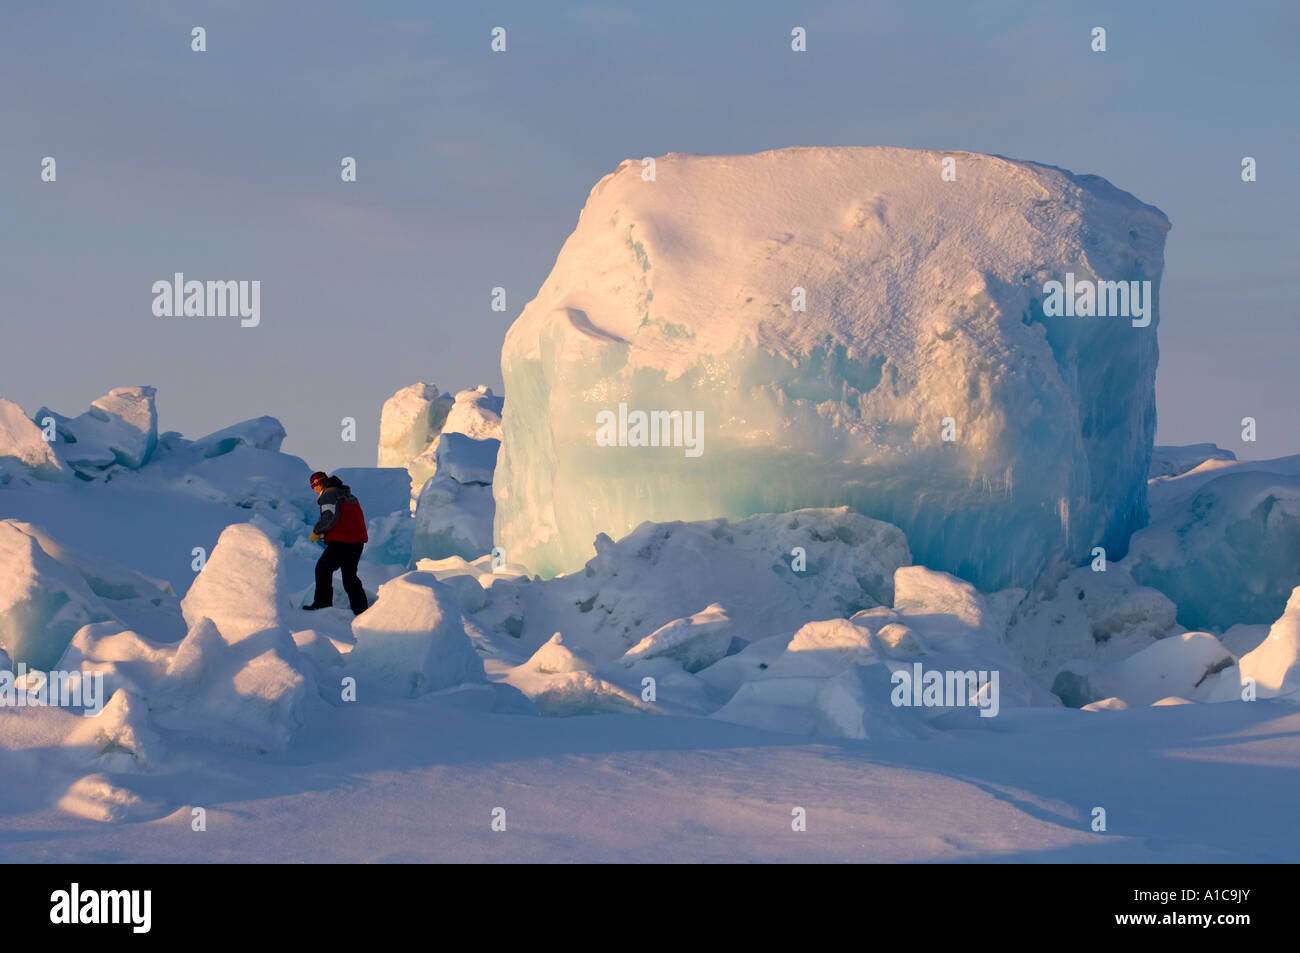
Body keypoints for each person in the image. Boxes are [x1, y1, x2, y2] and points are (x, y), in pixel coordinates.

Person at [302, 470, 370, 615]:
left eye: (313, 487)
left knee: (323, 569)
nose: (314, 491)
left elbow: (330, 517)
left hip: (342, 541)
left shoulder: (328, 494)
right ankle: (362, 611)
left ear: (317, 484)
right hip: (357, 541)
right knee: (350, 577)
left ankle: (322, 604)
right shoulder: (350, 495)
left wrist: (317, 531)